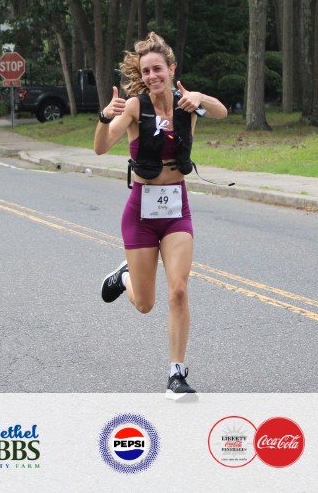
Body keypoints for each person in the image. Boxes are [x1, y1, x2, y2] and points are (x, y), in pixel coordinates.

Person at [93, 31, 227, 400]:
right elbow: (101, 147)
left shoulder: (188, 105)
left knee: (179, 290)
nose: (152, 76)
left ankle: (176, 374)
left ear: (171, 69)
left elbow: (221, 111)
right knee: (145, 304)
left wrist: (201, 97)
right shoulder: (134, 107)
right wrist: (104, 116)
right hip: (141, 211)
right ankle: (124, 277)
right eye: (146, 71)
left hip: (176, 210)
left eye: (158, 69)